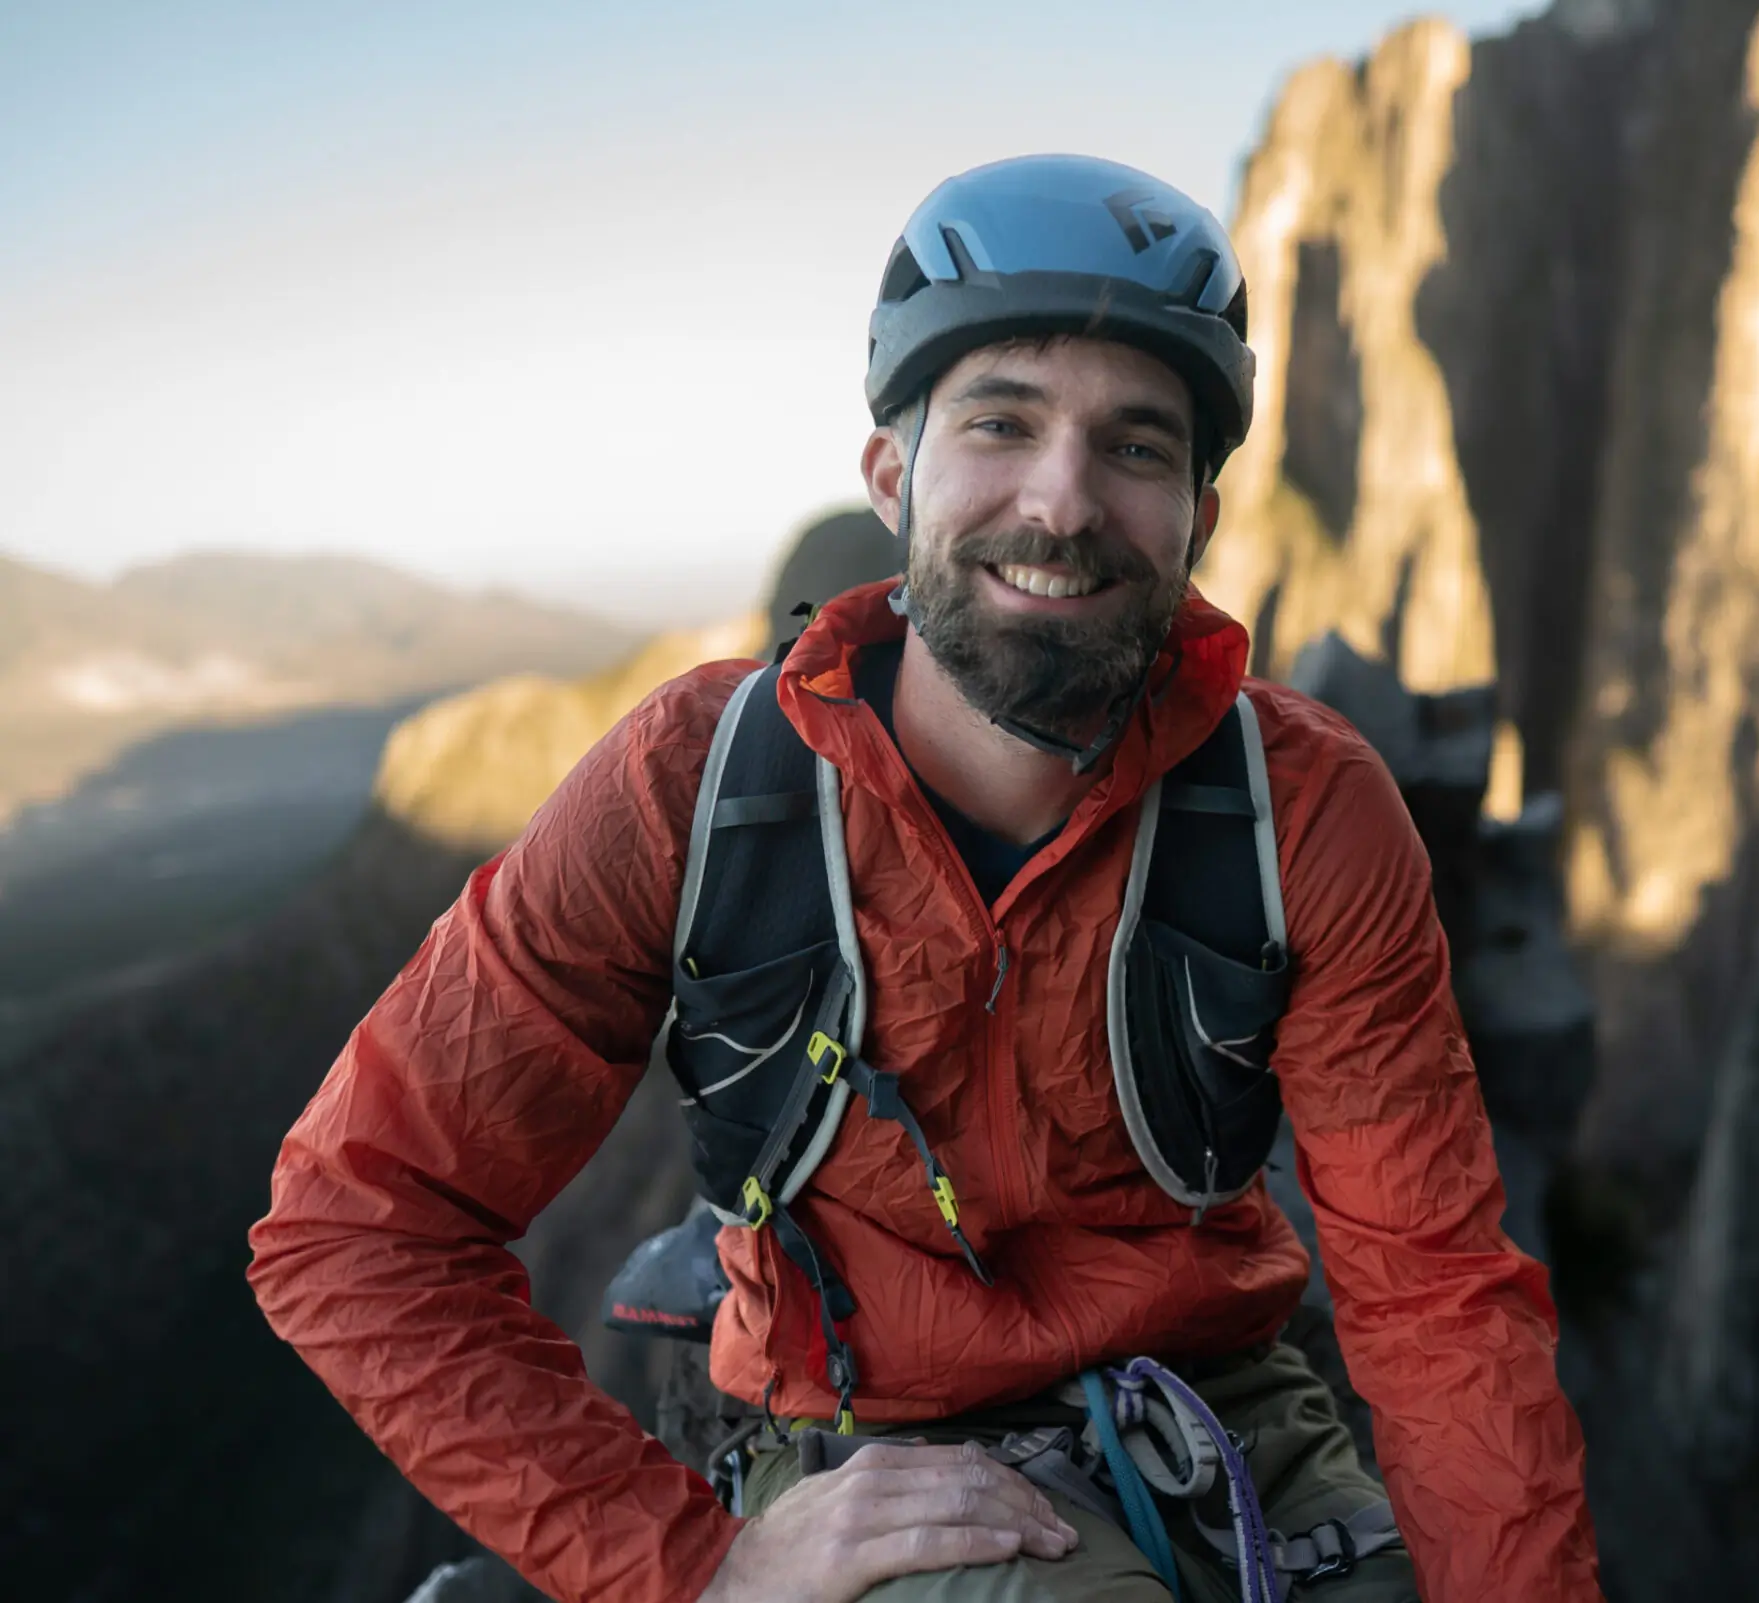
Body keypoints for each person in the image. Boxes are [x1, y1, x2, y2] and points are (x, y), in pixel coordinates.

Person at [250, 154, 1602, 1603]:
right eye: (1001, 422)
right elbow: (357, 1220)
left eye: (1138, 447)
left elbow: (1437, 1299)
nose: (1064, 500)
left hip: (1229, 1421)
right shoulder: (690, 788)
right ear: (894, 475)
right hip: (856, 1437)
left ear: (1200, 520)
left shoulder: (1308, 813)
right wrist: (696, 1569)